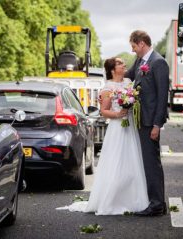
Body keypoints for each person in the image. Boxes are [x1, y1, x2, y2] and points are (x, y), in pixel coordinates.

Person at [58, 57, 149, 215]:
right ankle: (112, 200)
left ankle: (134, 199)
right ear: (113, 70)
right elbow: (103, 111)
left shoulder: (129, 82)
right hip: (117, 128)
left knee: (133, 161)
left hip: (131, 127)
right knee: (115, 162)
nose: (124, 64)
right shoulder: (108, 88)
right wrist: (119, 113)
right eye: (120, 63)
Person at [125, 30, 169, 216]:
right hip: (139, 120)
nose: (133, 50)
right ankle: (153, 201)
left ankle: (157, 205)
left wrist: (157, 125)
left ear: (142, 43)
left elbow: (162, 97)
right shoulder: (139, 62)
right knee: (145, 163)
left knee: (151, 164)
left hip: (151, 123)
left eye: (134, 47)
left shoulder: (158, 63)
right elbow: (125, 75)